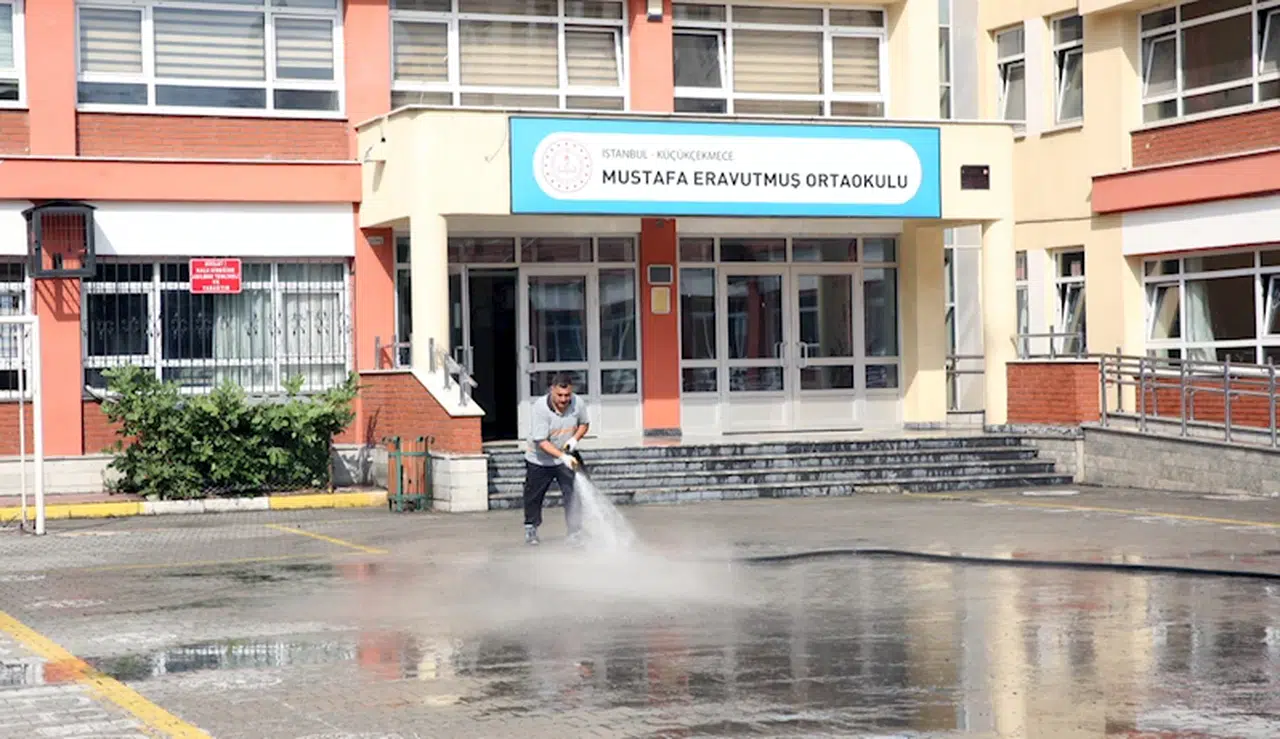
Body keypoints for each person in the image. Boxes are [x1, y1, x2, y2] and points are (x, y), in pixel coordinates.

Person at [523, 373, 589, 546]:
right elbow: (541, 441)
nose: (564, 400)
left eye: (567, 395)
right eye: (560, 395)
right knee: (533, 495)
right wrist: (562, 456)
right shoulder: (540, 408)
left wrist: (574, 439)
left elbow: (584, 424)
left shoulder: (577, 403)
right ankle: (531, 528)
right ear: (552, 390)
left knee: (574, 493)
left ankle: (575, 531)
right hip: (539, 460)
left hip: (565, 456)